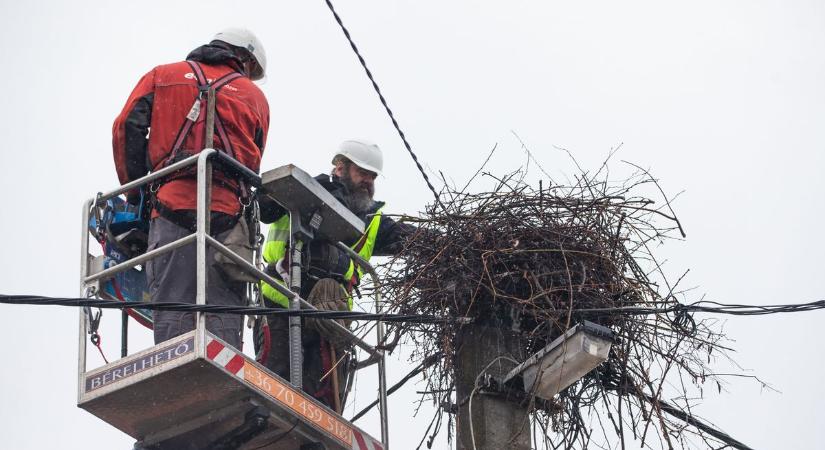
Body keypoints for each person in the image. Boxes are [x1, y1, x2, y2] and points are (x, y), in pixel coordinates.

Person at [112, 28, 270, 350]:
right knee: (222, 323)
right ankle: (221, 379)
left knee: (174, 318)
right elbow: (252, 164)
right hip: (227, 225)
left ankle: (178, 374)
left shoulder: (163, 76)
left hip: (171, 211)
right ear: (244, 59)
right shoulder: (255, 99)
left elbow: (126, 127)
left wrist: (137, 192)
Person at [256, 139, 415, 410]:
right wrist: (325, 196)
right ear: (340, 168)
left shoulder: (373, 221)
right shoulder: (304, 189)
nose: (368, 181)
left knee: (323, 402)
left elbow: (414, 240)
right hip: (279, 304)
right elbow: (262, 204)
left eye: (373, 176)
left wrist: (457, 243)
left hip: (330, 318)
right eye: (363, 173)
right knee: (273, 391)